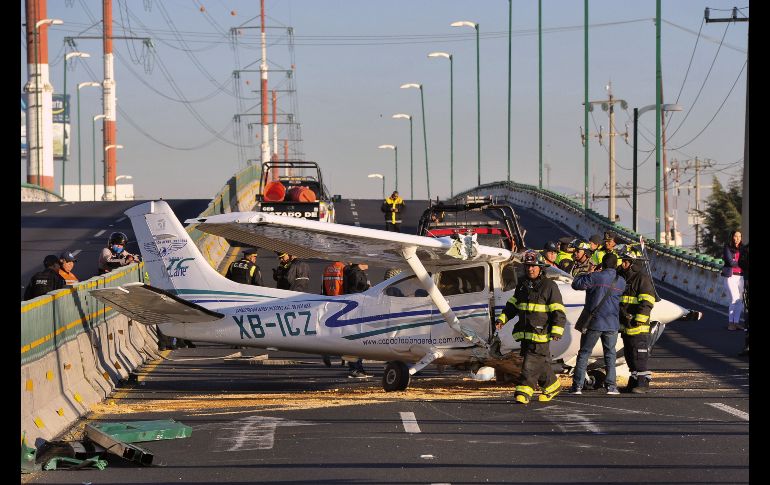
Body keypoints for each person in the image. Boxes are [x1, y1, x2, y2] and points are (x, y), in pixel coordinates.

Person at [495, 250, 566, 404]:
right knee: (541, 363)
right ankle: (552, 386)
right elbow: (513, 304)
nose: (530, 269)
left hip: (541, 334)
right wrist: (502, 319)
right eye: (527, 266)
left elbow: (558, 310)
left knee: (530, 362)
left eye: (533, 266)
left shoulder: (549, 286)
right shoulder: (522, 285)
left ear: (541, 268)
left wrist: (557, 330)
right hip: (526, 333)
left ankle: (524, 390)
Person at [569, 253, 626, 395]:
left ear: (603, 263)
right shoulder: (621, 281)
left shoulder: (595, 277)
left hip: (594, 322)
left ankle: (577, 386)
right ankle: (611, 386)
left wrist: (588, 273)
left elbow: (576, 284)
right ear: (616, 265)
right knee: (610, 354)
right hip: (612, 323)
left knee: (584, 353)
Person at [616, 247, 656, 393]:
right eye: (622, 261)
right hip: (626, 323)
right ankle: (633, 381)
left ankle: (643, 383)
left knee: (639, 353)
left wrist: (640, 318)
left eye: (626, 261)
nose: (623, 263)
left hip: (638, 325)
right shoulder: (622, 276)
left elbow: (647, 301)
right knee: (629, 353)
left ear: (632, 263)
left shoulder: (641, 278)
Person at [344, 262, 371, 378]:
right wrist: (368, 288)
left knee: (359, 340)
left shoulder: (356, 272)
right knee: (355, 339)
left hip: (357, 308)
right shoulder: (355, 273)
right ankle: (354, 368)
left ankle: (358, 367)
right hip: (355, 310)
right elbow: (357, 289)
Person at [721, 230, 745, 331]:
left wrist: (739, 262)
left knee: (741, 301)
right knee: (734, 299)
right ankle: (731, 323)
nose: (738, 238)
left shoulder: (743, 248)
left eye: (739, 236)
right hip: (731, 276)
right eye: (735, 236)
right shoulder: (727, 247)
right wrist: (742, 262)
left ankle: (736, 322)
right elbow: (730, 262)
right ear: (732, 237)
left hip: (741, 277)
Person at [738, 243, 749, 356]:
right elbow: (741, 263)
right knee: (747, 317)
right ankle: (747, 346)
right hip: (748, 287)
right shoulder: (745, 249)